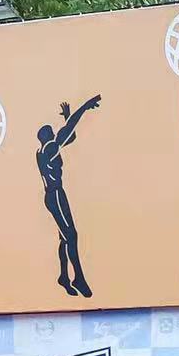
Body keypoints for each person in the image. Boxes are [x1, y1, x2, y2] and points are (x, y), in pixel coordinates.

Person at [37, 95, 102, 298]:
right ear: (47, 137)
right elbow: (67, 131)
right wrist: (84, 107)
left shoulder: (45, 150)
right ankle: (78, 278)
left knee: (64, 238)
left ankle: (64, 276)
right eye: (52, 132)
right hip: (55, 195)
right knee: (71, 236)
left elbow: (69, 136)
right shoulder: (48, 149)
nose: (55, 134)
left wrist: (67, 117)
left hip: (55, 195)